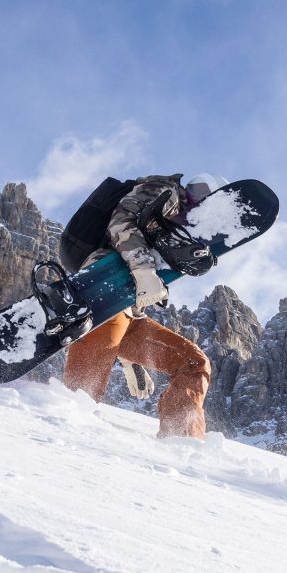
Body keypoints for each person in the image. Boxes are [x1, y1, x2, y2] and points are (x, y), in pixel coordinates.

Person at [62, 173, 228, 438]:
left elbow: (139, 289)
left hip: (128, 309)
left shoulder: (177, 230)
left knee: (194, 363)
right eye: (204, 201)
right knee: (85, 386)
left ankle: (181, 441)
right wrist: (143, 270)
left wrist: (131, 361)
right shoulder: (165, 191)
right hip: (103, 288)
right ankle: (68, 423)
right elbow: (121, 223)